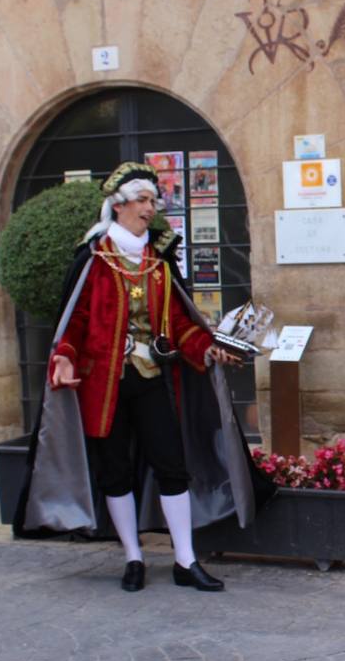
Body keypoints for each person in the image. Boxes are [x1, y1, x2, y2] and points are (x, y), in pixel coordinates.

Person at [16, 161, 252, 593]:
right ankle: (133, 557)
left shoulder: (158, 264)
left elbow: (182, 325)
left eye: (153, 200)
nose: (151, 208)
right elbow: (74, 322)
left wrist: (209, 347)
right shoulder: (93, 260)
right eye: (143, 200)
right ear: (119, 205)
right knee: (115, 471)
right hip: (103, 386)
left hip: (151, 380)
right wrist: (64, 357)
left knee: (172, 465)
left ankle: (185, 560)